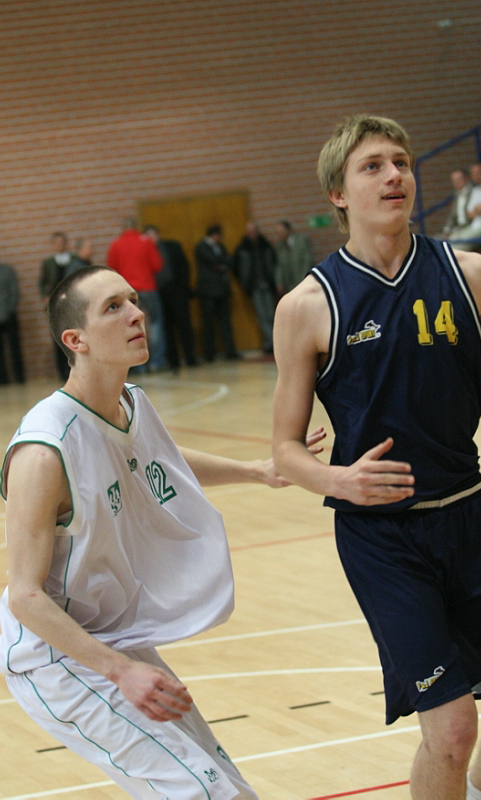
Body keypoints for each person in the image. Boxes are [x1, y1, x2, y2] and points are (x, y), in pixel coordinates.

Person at [272, 114, 481, 800]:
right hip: (383, 538)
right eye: (373, 166)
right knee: (450, 729)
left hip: (472, 518)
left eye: (401, 162)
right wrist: (339, 479)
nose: (394, 175)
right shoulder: (308, 305)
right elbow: (284, 450)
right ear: (338, 194)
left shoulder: (470, 274)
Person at [0, 264, 325, 800]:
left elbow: (163, 458)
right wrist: (120, 671)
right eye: (113, 307)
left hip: (109, 635)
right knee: (204, 793)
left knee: (231, 787)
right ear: (76, 340)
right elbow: (25, 597)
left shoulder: (130, 403)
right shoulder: (43, 452)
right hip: (54, 654)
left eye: (133, 300)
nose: (136, 313)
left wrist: (256, 470)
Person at [107, 218, 166, 371]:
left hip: (126, 292)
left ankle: (137, 366)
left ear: (123, 228)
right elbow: (157, 265)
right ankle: (157, 362)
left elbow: (111, 269)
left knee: (129, 326)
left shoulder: (116, 244)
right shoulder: (146, 242)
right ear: (136, 227)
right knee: (155, 323)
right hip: (148, 287)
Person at [144, 225, 198, 369]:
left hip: (177, 290)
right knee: (166, 327)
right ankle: (173, 361)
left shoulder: (172, 246)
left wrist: (183, 287)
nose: (151, 239)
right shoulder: (146, 251)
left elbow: (184, 266)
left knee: (184, 324)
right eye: (148, 236)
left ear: (158, 235)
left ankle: (191, 357)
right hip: (159, 292)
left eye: (153, 235)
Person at [194, 224, 240, 362]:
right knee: (209, 323)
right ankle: (209, 353)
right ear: (214, 234)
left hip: (222, 290)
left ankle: (230, 351)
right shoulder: (201, 246)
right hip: (208, 291)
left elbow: (229, 261)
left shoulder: (220, 246)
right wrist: (220, 264)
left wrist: (220, 265)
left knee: (226, 322)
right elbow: (212, 260)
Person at [233, 221, 277, 355]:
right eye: (249, 231)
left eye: (253, 230)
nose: (252, 233)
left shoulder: (265, 245)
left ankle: (275, 341)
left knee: (271, 314)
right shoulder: (242, 248)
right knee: (262, 315)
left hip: (267, 284)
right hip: (254, 286)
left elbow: (274, 262)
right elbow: (236, 267)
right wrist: (244, 281)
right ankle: (270, 342)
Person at [38, 231, 76, 380]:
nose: (60, 245)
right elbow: (42, 283)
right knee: (58, 337)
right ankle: (62, 372)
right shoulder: (47, 263)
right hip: (56, 305)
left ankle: (75, 367)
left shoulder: (73, 260)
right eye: (57, 243)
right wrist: (45, 296)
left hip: (72, 302)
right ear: (53, 245)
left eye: (62, 242)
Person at [0, 262, 25, 384]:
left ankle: (19, 377)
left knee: (15, 348)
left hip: (9, 315)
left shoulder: (7, 270)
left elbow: (14, 291)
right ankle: (3, 379)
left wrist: (9, 309)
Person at [274, 220, 314, 295]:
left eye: (281, 232)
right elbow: (279, 265)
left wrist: (304, 278)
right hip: (289, 284)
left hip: (302, 279)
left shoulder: (301, 241)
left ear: (287, 230)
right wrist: (279, 282)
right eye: (277, 232)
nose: (279, 234)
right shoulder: (280, 246)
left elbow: (307, 261)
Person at [440, 168, 473, 241]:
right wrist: (447, 230)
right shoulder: (457, 193)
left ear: (466, 178)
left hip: (471, 227)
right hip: (459, 228)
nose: (456, 182)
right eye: (454, 181)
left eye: (459, 179)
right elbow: (452, 215)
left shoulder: (473, 190)